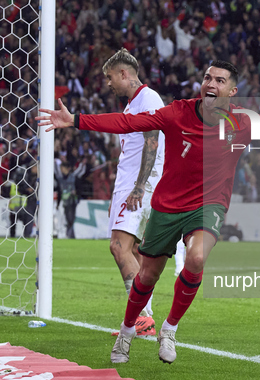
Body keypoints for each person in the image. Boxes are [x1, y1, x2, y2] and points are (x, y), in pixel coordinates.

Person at [36, 60, 260, 364]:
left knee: (197, 258)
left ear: (232, 90)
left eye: (219, 80)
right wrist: (77, 120)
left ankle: (169, 330)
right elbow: (130, 124)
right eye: (207, 78)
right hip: (167, 206)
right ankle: (127, 330)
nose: (211, 84)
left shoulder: (244, 123)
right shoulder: (177, 113)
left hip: (208, 205)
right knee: (147, 277)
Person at [103, 48, 165, 336]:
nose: (108, 83)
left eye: (110, 76)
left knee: (119, 246)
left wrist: (140, 186)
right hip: (129, 184)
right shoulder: (132, 106)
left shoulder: (148, 99)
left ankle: (140, 315)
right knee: (137, 250)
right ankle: (145, 317)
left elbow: (153, 142)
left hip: (139, 185)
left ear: (124, 74)